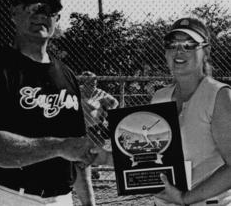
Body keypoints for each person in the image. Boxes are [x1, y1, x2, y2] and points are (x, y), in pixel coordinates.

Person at [90, 17, 231, 206]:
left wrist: (185, 198)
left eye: (189, 44)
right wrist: (106, 158)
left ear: (206, 51)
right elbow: (150, 157)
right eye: (171, 44)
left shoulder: (218, 95)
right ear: (165, 52)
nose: (179, 50)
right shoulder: (160, 97)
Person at [0, 0, 97, 206]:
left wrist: (88, 202)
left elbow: (77, 149)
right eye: (33, 7)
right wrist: (58, 147)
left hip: (60, 199)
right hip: (4, 196)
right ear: (14, 13)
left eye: (49, 9)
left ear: (57, 18)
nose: (41, 14)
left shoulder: (66, 75)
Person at [80, 71, 119, 145]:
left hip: (94, 126)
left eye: (94, 84)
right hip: (79, 125)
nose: (93, 86)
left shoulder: (99, 92)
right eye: (90, 84)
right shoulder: (77, 90)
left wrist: (105, 112)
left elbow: (115, 102)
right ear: (84, 83)